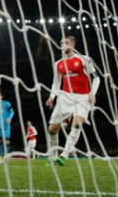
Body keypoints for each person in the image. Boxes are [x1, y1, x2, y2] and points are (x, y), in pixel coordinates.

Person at [46, 36, 100, 166]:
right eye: (61, 43)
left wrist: (92, 93)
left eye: (66, 42)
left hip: (82, 97)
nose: (62, 45)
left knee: (77, 124)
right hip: (65, 97)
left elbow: (96, 78)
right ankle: (53, 158)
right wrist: (52, 97)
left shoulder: (84, 60)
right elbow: (56, 83)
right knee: (52, 129)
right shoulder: (58, 64)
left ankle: (64, 156)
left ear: (73, 45)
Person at [0, 91, 14, 161]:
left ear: (2, 96)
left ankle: (6, 155)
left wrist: (10, 118)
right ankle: (1, 155)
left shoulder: (6, 103)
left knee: (7, 142)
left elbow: (12, 112)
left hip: (6, 126)